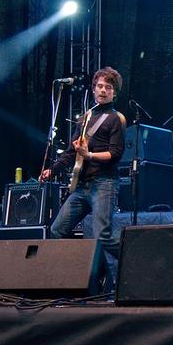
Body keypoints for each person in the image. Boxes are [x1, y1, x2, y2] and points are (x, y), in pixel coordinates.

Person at [40, 67, 125, 283]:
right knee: (57, 230)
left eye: (108, 87)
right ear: (93, 89)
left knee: (103, 236)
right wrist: (53, 170)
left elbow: (115, 154)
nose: (103, 90)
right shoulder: (85, 118)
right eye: (100, 86)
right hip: (81, 186)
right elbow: (72, 151)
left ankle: (135, 259)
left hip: (104, 183)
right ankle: (73, 279)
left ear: (114, 92)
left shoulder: (116, 119)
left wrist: (89, 155)